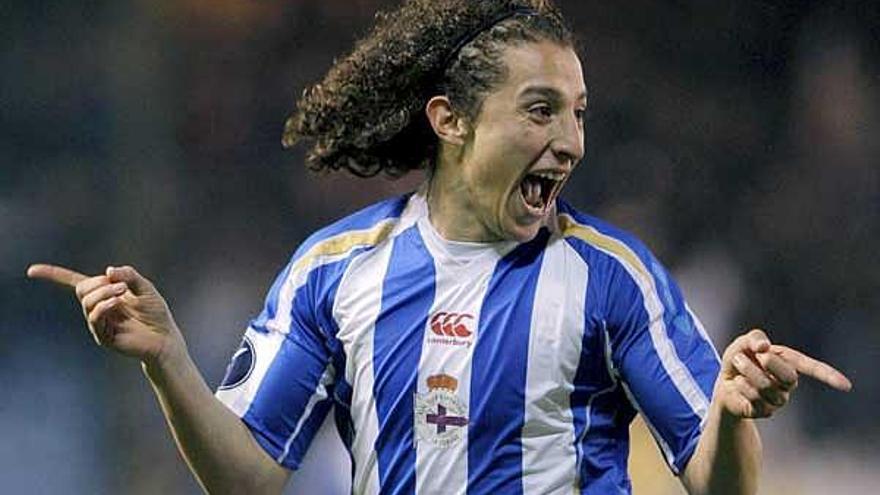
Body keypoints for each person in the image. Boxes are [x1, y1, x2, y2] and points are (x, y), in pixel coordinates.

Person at [27, 1, 852, 494]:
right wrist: (167, 358)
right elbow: (248, 478)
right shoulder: (334, 270)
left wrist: (734, 414)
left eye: (579, 112)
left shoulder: (615, 279)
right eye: (539, 110)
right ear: (450, 120)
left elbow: (712, 485)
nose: (570, 139)